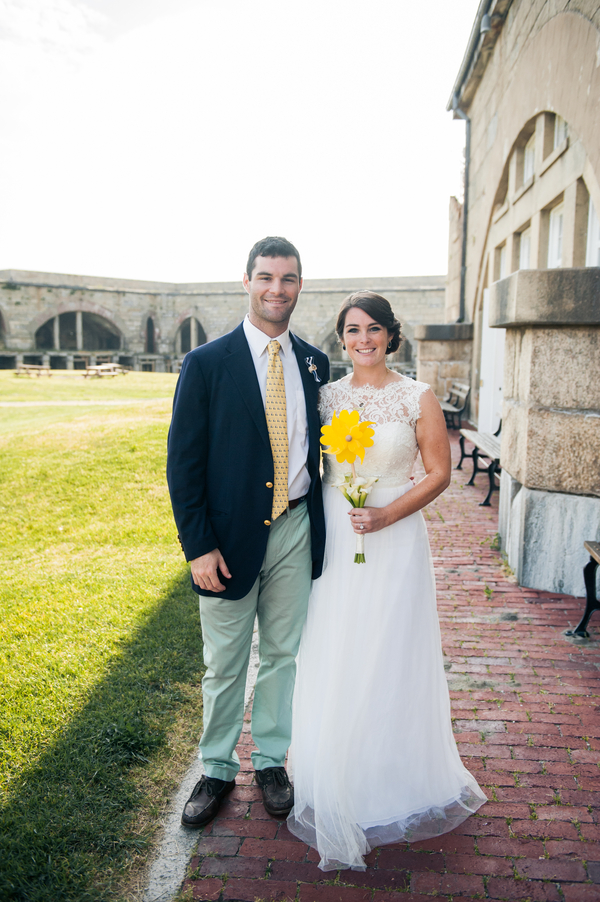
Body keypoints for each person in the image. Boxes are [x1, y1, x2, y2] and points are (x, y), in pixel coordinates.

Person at [287, 291, 486, 871]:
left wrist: (385, 514)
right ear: (341, 338)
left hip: (393, 537)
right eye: (352, 330)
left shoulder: (416, 396)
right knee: (336, 646)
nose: (363, 339)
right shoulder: (325, 396)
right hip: (337, 534)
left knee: (389, 650)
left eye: (373, 329)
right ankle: (335, 765)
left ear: (390, 335)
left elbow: (440, 472)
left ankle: (390, 776)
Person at [167, 236, 329, 828]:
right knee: (225, 663)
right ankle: (214, 769)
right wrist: (197, 545)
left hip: (295, 528)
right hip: (227, 541)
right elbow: (183, 463)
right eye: (266, 277)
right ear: (246, 281)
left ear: (299, 286)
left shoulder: (315, 362)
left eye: (287, 279)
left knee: (282, 656)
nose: (276, 289)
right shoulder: (207, 363)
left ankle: (268, 762)